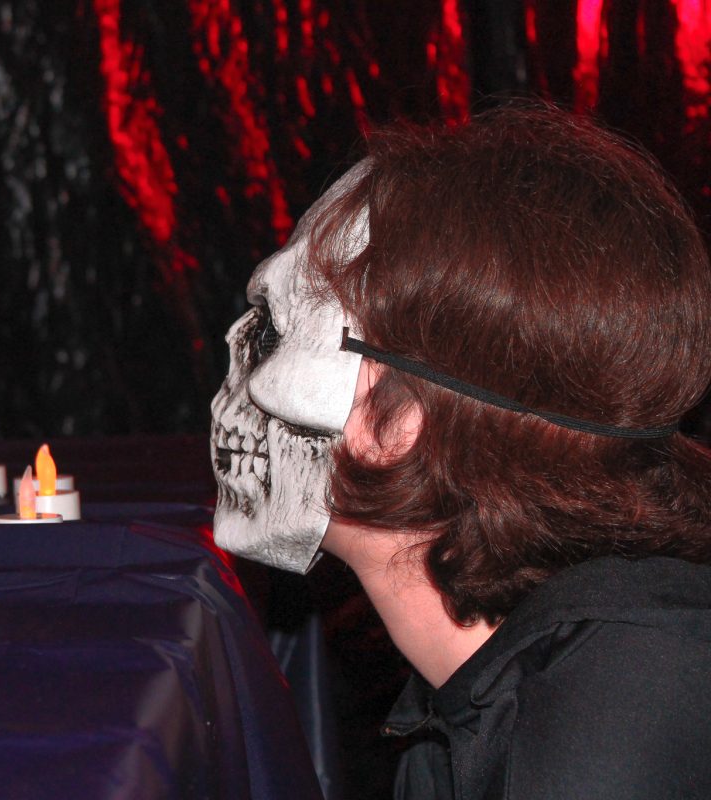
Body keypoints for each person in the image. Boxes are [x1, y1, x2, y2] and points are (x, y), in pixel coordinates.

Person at [212, 105, 711, 799]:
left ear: (403, 419)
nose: (239, 364)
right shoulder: (492, 690)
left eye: (276, 333)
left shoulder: (618, 720)